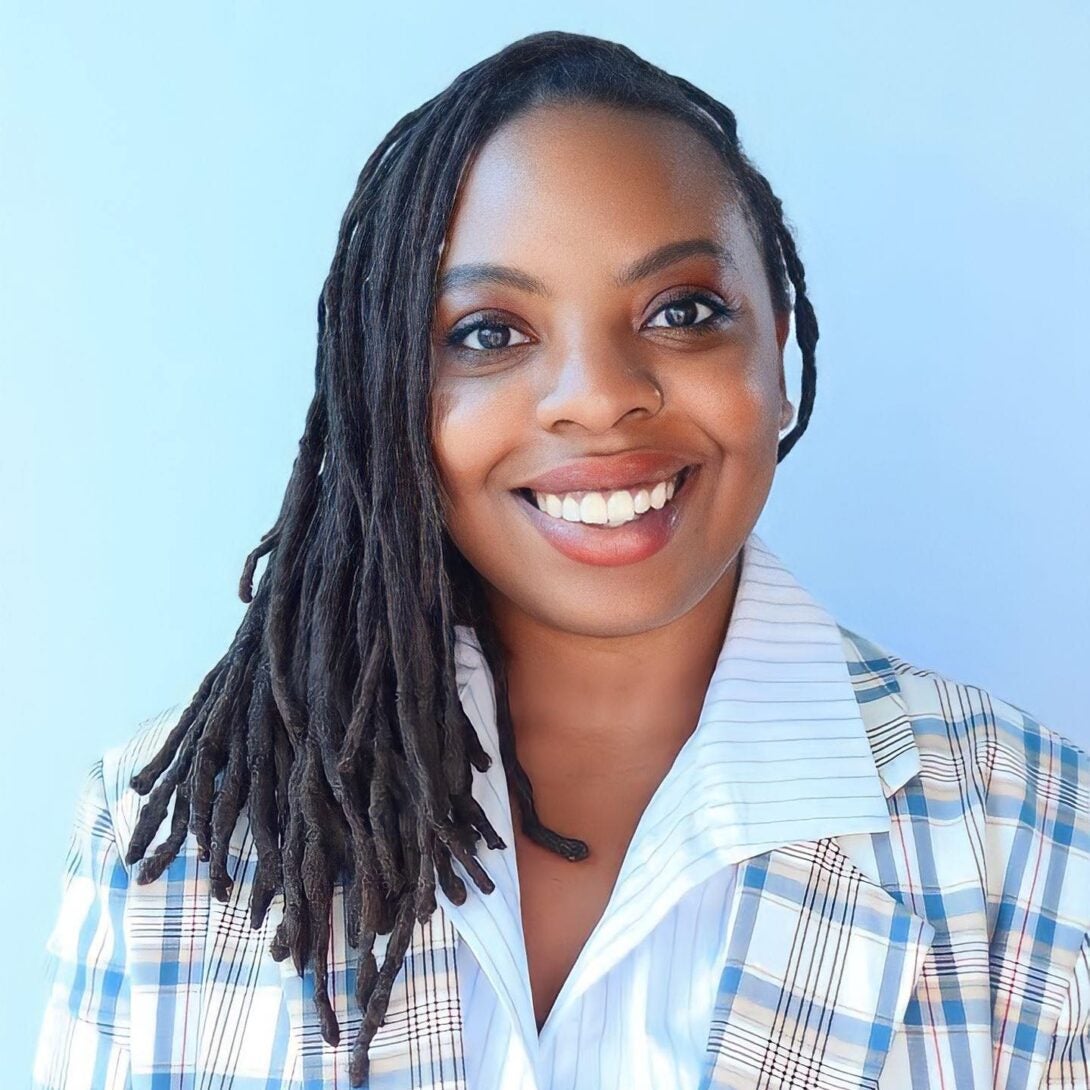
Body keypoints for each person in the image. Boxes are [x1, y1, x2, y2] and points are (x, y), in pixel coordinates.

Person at [31, 29, 1088, 1090]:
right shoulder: (172, 834)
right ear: (385, 393)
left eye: (683, 312)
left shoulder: (1036, 837)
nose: (596, 393)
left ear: (779, 350)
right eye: (489, 333)